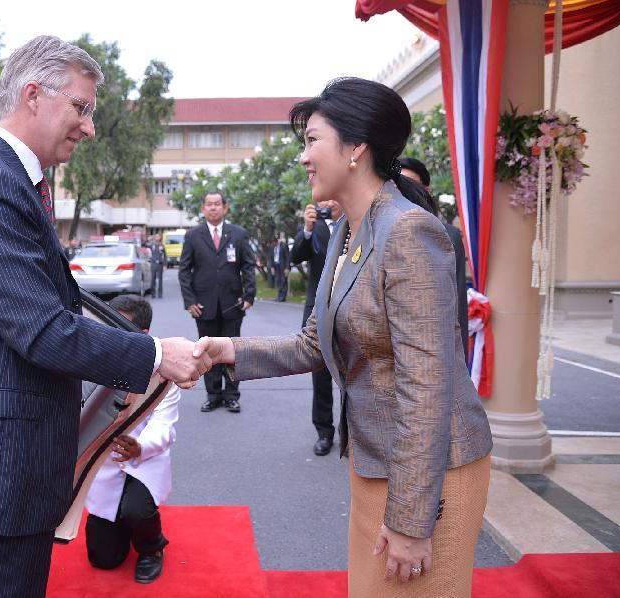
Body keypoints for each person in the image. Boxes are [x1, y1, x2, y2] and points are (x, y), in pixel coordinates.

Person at [0, 36, 208, 598]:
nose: (89, 127)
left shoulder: (12, 181)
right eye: (81, 107)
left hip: (14, 454)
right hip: (2, 460)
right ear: (33, 95)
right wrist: (156, 354)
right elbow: (42, 330)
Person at [194, 77, 492, 597]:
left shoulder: (409, 233)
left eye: (312, 140)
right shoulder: (350, 233)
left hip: (429, 476)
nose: (304, 157)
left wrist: (411, 519)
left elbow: (427, 387)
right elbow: (315, 343)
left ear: (356, 149)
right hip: (375, 463)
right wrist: (228, 350)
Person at [84, 294, 179, 584]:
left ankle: (152, 548)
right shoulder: (92, 364)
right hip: (105, 462)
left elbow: (165, 427)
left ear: (144, 334)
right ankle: (119, 524)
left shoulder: (163, 374)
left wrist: (139, 447)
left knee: (136, 510)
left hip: (143, 460)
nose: (110, 335)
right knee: (103, 559)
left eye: (119, 326)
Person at [178, 191, 256, 414]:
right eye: (209, 204)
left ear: (225, 208)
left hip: (233, 304)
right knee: (207, 353)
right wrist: (189, 301)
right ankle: (213, 395)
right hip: (203, 305)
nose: (213, 208)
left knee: (233, 351)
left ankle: (232, 395)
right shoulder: (193, 236)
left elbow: (248, 266)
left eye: (217, 204)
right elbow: (184, 270)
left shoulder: (238, 234)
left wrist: (249, 295)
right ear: (203, 209)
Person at [399, 157, 470, 359]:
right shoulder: (371, 233)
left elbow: (457, 310)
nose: (403, 191)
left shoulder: (448, 237)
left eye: (410, 184)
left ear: (427, 191)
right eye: (396, 184)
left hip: (431, 358)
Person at [290, 199, 342, 456]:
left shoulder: (356, 223)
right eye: (323, 201)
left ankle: (351, 432)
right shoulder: (315, 228)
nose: (328, 204)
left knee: (352, 374)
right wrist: (307, 229)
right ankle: (324, 432)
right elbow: (295, 255)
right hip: (318, 311)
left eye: (332, 199)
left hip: (350, 309)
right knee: (320, 374)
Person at [270, 236, 290, 302]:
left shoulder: (283, 246)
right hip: (276, 265)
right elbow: (271, 257)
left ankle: (283, 297)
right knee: (278, 281)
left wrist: (287, 268)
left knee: (283, 281)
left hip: (283, 266)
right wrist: (272, 267)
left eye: (274, 243)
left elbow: (287, 257)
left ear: (276, 241)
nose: (273, 244)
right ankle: (279, 296)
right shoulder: (272, 247)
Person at [147, 234, 166, 298]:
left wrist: (165, 265)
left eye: (159, 236)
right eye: (156, 236)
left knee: (160, 280)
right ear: (154, 237)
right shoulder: (152, 244)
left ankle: (160, 294)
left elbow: (165, 255)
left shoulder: (161, 245)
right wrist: (148, 239)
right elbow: (143, 244)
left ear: (160, 238)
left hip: (160, 264)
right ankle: (153, 294)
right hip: (153, 263)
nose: (158, 237)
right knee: (153, 279)